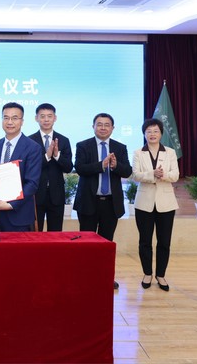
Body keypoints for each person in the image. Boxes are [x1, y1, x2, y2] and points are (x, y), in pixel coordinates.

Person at [74, 113, 132, 289]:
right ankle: (85, 278)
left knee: (106, 243)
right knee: (86, 243)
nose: (103, 128)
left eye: (107, 125)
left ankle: (105, 277)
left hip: (110, 203)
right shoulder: (83, 145)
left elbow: (127, 171)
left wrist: (115, 166)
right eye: (99, 124)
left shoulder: (120, 147)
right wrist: (101, 165)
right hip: (88, 202)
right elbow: (80, 168)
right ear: (93, 126)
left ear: (112, 128)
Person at [132, 119, 179, 292]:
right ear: (144, 134)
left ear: (161, 133)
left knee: (164, 241)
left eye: (156, 131)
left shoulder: (170, 152)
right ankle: (147, 274)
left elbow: (175, 175)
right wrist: (153, 173)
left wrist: (162, 175)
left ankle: (161, 275)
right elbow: (136, 175)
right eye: (149, 131)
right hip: (144, 203)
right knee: (145, 241)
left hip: (166, 204)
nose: (152, 134)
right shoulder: (138, 153)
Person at [0, 102, 43, 232]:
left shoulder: (33, 147)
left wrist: (10, 204)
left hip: (18, 216)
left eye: (14, 118)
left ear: (22, 121)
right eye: (6, 118)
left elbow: (32, 183)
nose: (10, 122)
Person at [28, 103, 73, 231]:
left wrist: (57, 156)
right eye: (42, 116)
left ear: (55, 118)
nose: (46, 120)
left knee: (56, 234)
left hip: (56, 195)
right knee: (34, 233)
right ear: (36, 118)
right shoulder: (29, 141)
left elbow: (69, 167)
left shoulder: (64, 140)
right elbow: (29, 167)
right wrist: (47, 156)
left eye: (49, 116)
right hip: (35, 195)